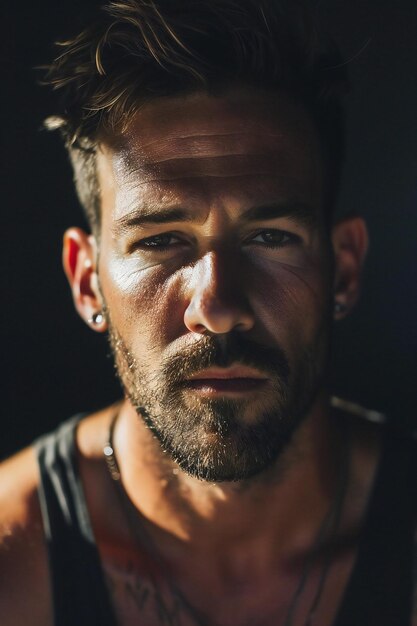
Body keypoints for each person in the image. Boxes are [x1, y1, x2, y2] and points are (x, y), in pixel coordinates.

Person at [1, 1, 415, 625]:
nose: (218, 310)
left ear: (345, 269)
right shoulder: (15, 563)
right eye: (161, 240)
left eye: (270, 237)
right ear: (87, 282)